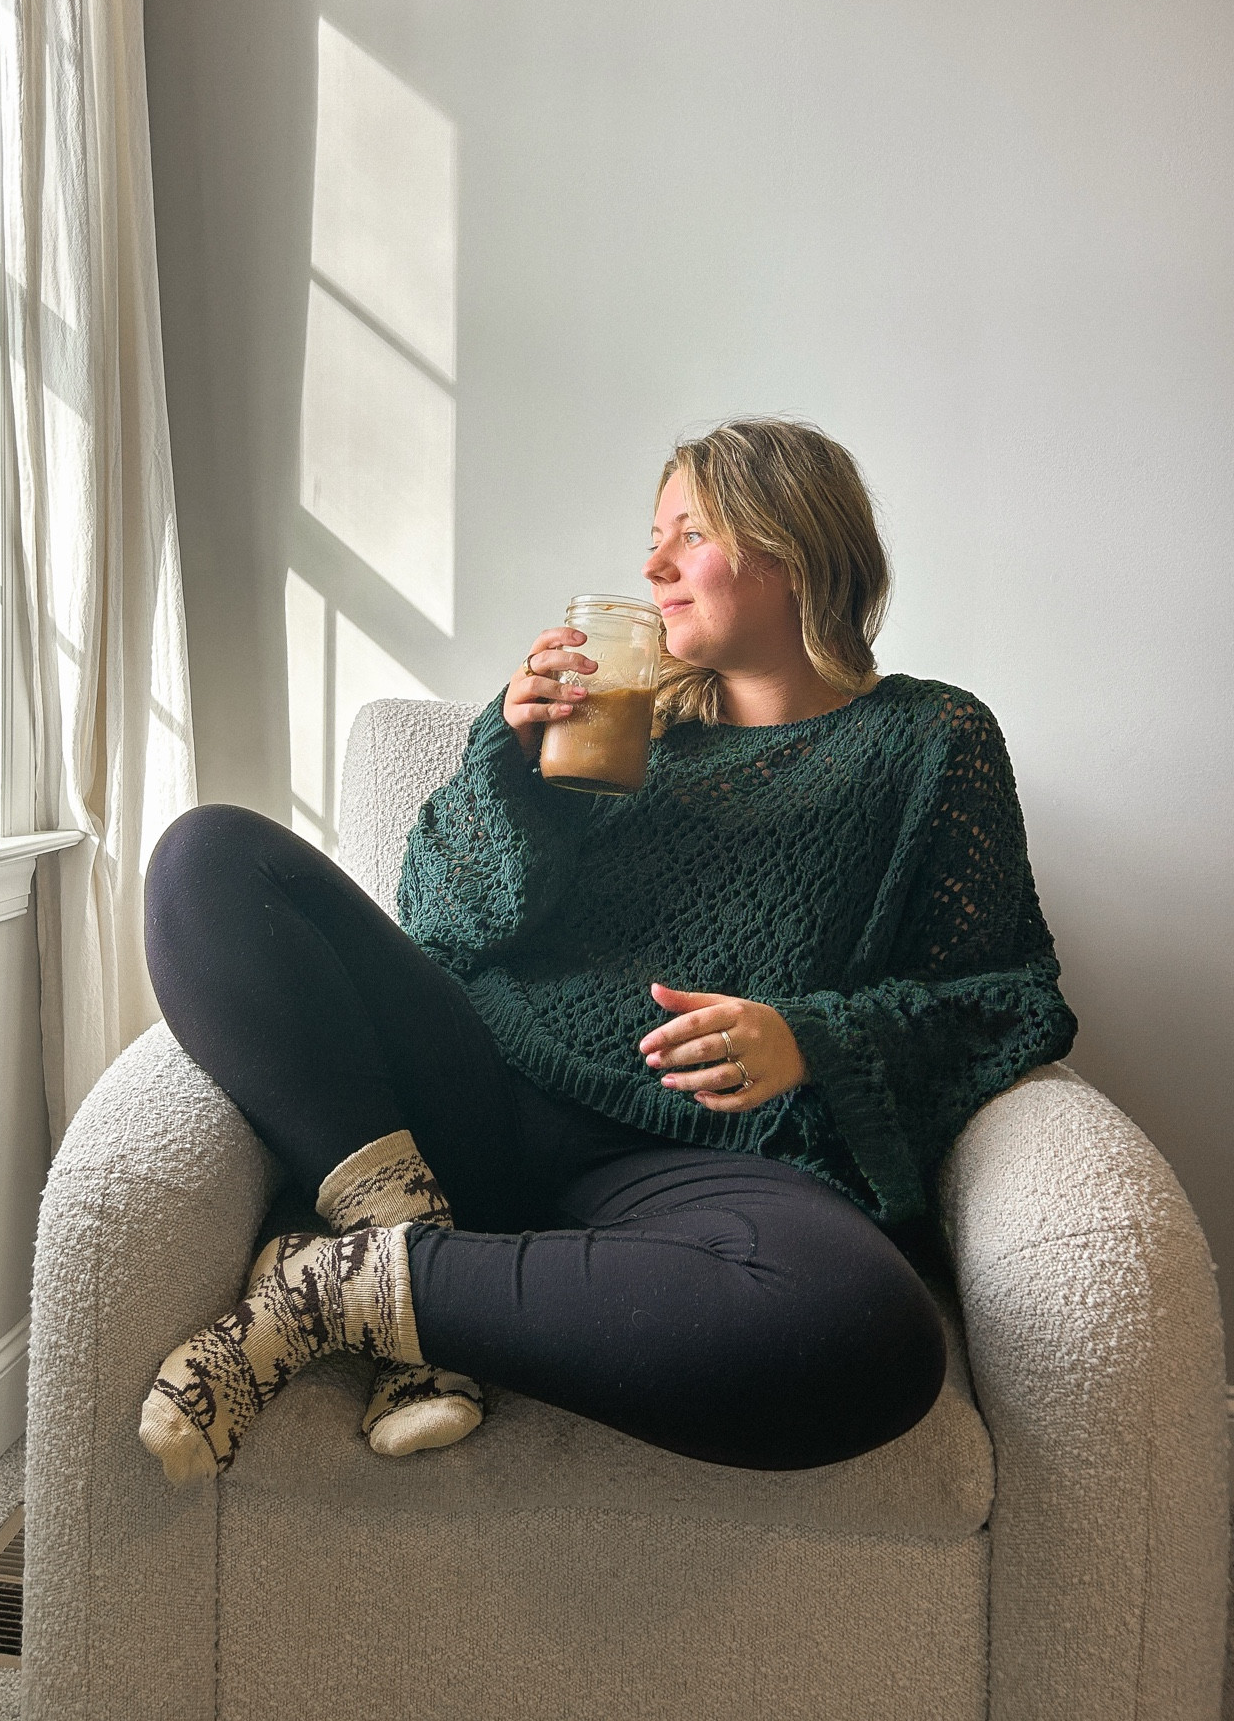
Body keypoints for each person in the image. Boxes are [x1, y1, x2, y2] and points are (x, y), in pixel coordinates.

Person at [137, 417, 1077, 1483]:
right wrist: (511, 762)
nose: (652, 565)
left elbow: (1008, 1002)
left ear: (789, 546)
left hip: (707, 1166)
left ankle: (351, 1289)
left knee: (875, 1336)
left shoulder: (932, 740)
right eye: (652, 535)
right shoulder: (625, 719)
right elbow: (438, 920)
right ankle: (398, 1222)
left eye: (690, 532)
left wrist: (811, 1040)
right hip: (485, 1086)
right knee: (206, 855)